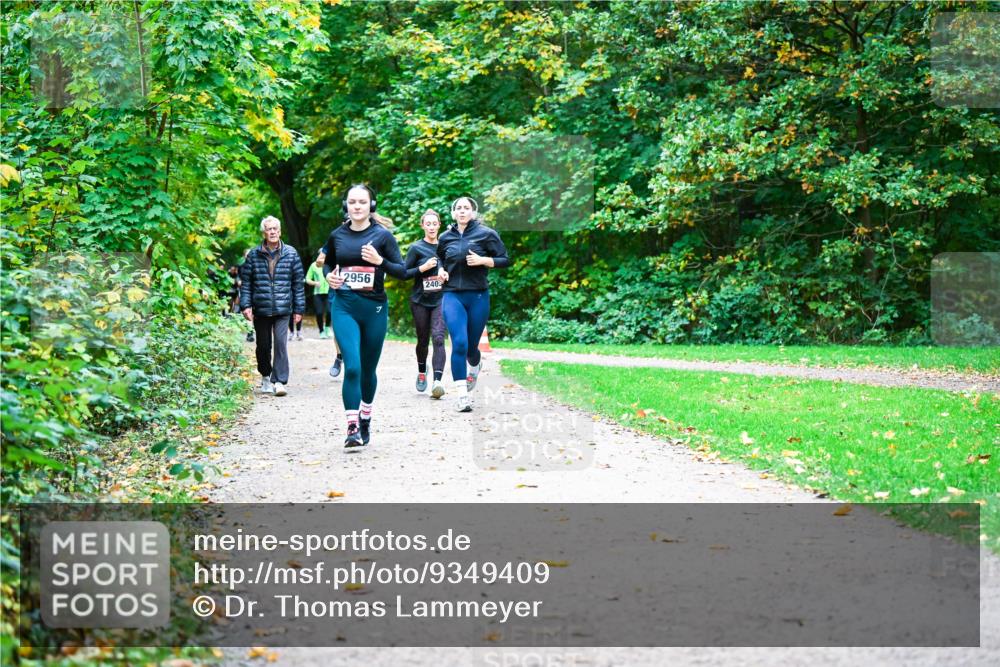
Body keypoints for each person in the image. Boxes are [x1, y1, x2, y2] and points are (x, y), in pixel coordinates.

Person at [324, 184, 408, 448]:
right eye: (352, 202)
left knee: (368, 370)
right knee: (353, 367)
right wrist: (329, 276)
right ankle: (352, 428)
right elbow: (328, 262)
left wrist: (380, 261)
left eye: (362, 202)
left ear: (371, 205)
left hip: (375, 310)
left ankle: (365, 417)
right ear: (346, 205)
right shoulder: (337, 235)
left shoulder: (383, 237)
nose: (357, 206)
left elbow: (402, 272)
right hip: (344, 306)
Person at [437, 196, 509, 412]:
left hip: (478, 296)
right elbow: (439, 258)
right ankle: (462, 396)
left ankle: (475, 364)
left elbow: (504, 259)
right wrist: (440, 270)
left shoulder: (486, 234)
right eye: (458, 208)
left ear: (473, 212)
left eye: (466, 208)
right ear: (453, 213)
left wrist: (483, 260)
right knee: (459, 343)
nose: (462, 211)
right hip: (452, 295)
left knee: (470, 348)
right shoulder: (445, 237)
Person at [239, 216, 305, 397]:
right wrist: (245, 305)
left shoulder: (291, 253)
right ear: (264, 233)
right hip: (261, 308)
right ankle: (266, 376)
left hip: (283, 308)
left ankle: (279, 381)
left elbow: (298, 283)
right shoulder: (253, 254)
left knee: (281, 344)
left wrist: (299, 308)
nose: (273, 232)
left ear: (280, 231)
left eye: (275, 228)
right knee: (263, 346)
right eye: (269, 229)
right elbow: (246, 283)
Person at [404, 209, 448, 398]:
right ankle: (422, 371)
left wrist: (445, 273)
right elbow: (404, 273)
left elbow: (455, 268)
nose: (431, 227)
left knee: (438, 337)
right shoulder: (416, 248)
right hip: (420, 300)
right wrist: (422, 268)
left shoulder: (446, 247)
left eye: (434, 223)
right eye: (428, 224)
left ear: (439, 225)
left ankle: (437, 382)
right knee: (423, 340)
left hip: (442, 299)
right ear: (422, 226)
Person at [305, 251, 332, 338]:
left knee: (330, 311)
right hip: (318, 293)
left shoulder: (330, 264)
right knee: (319, 312)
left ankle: (327, 327)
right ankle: (321, 331)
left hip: (329, 292)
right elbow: (307, 279)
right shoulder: (313, 265)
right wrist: (315, 283)